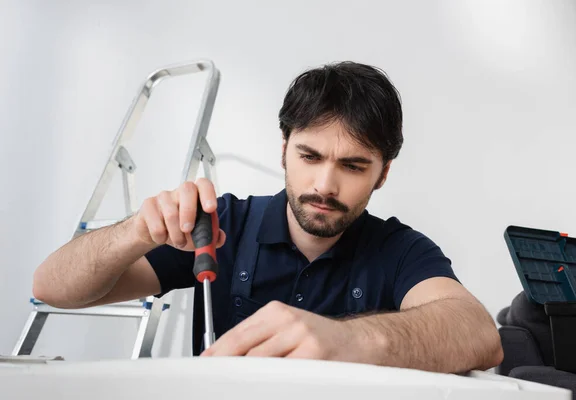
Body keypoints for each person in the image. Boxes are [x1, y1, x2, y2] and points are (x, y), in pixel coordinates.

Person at [33, 61, 503, 373]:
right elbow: (50, 287)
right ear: (283, 149)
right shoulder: (222, 225)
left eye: (354, 166)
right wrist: (135, 231)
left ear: (382, 174)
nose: (324, 185)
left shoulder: (400, 250)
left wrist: (346, 341)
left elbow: (479, 333)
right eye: (309, 156)